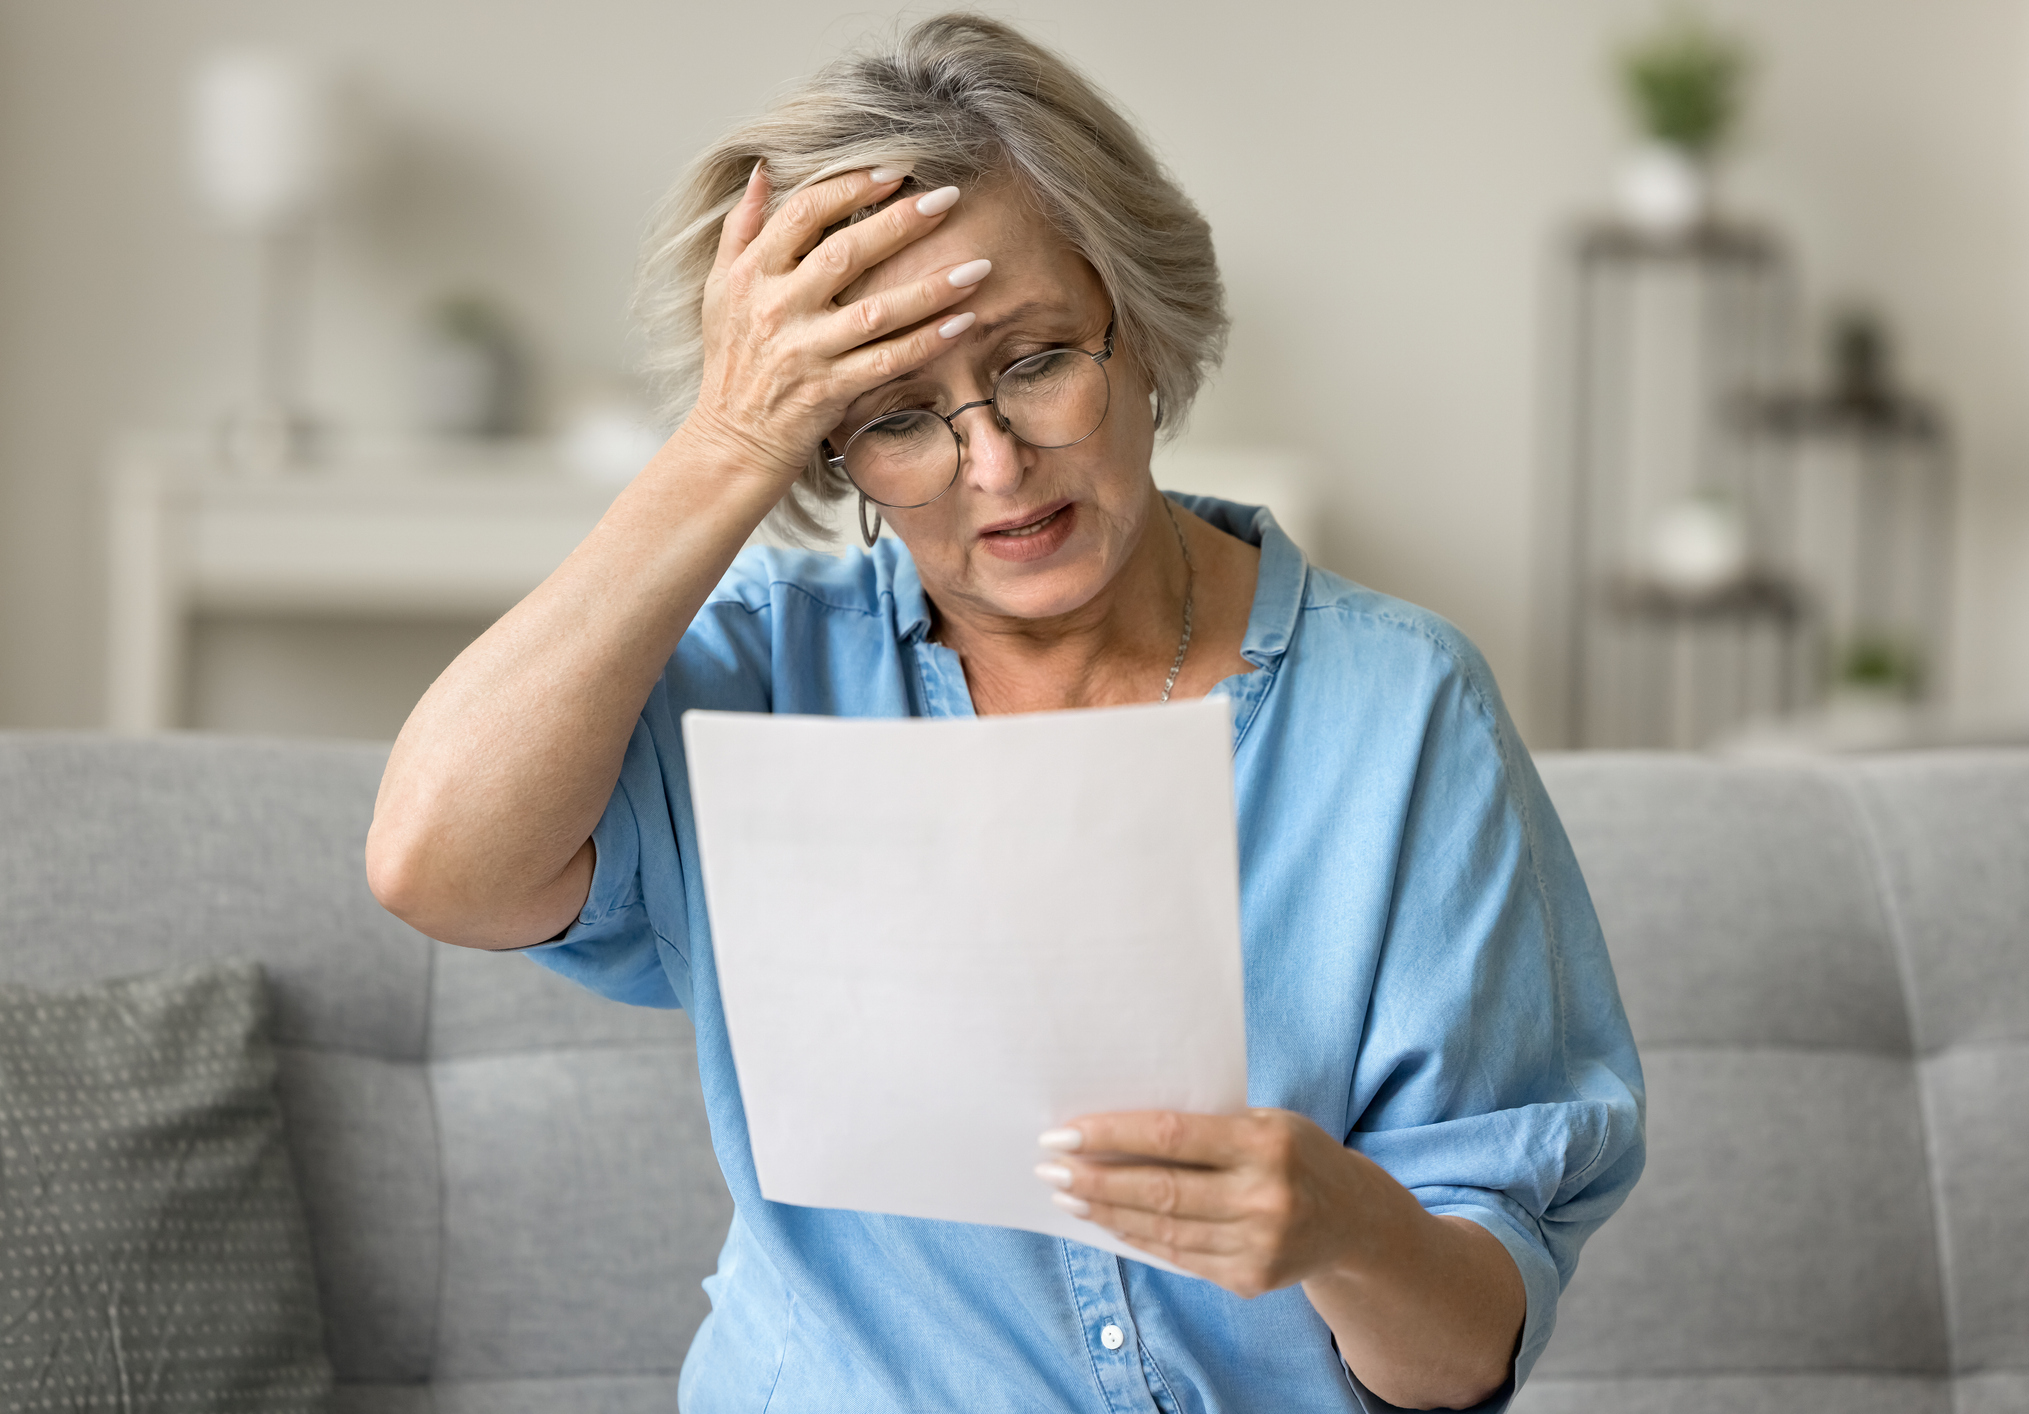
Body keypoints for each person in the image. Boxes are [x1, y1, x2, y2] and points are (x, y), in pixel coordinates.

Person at [367, 14, 1644, 1412]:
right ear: (828, 444)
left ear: (1140, 327)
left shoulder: (1402, 712)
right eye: (897, 416)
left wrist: (1345, 1221)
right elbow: (435, 860)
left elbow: (1461, 1356)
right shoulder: (758, 683)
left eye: (1037, 361)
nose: (993, 464)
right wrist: (727, 441)